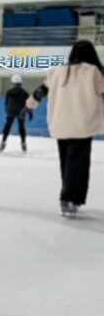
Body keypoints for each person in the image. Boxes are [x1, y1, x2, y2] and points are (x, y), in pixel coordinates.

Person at [26, 40, 104, 218]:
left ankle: (74, 199)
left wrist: (30, 104)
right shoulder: (93, 71)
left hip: (60, 123)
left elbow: (41, 90)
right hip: (82, 125)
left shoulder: (56, 71)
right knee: (79, 163)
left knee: (67, 162)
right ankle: (68, 198)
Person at [0, 74, 30, 153]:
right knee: (21, 127)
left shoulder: (9, 91)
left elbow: (6, 103)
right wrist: (29, 112)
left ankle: (3, 142)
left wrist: (7, 111)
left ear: (12, 82)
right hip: (21, 112)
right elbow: (29, 103)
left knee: (7, 128)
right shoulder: (24, 92)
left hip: (10, 112)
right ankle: (23, 143)